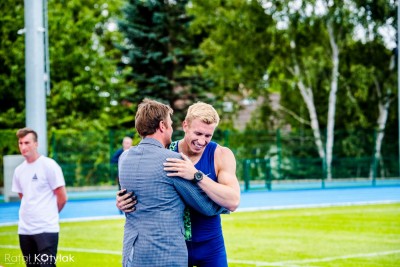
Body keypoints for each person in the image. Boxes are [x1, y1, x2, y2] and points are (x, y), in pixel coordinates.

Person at [118, 101, 241, 267]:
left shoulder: (221, 154)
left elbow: (233, 201)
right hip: (176, 246)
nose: (202, 141)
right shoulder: (169, 153)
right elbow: (146, 182)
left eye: (208, 136)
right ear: (185, 126)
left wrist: (197, 175)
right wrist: (122, 199)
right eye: (197, 133)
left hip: (210, 244)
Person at [12, 127, 68, 267]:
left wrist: (48, 215)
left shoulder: (49, 165)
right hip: (25, 229)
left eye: (27, 142)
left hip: (46, 229)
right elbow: (23, 196)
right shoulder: (19, 171)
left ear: (36, 144)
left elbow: (62, 197)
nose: (23, 147)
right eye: (21, 143)